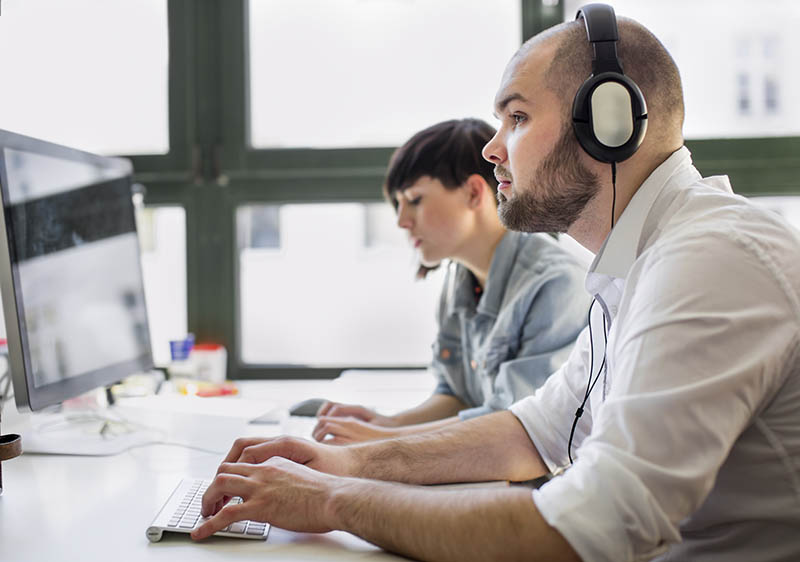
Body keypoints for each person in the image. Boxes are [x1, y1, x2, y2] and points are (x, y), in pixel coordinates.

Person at [191, 6, 800, 561]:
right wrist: (346, 461)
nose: (491, 148)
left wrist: (332, 500)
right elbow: (532, 433)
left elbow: (597, 523)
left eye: (516, 117)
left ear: (607, 124)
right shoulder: (637, 266)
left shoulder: (709, 259)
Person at [312, 118, 588, 444]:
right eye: (398, 205)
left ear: (474, 193)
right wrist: (387, 424)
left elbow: (514, 424)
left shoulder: (555, 284)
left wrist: (381, 441)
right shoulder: (461, 278)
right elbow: (457, 395)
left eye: (414, 200)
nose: (401, 221)